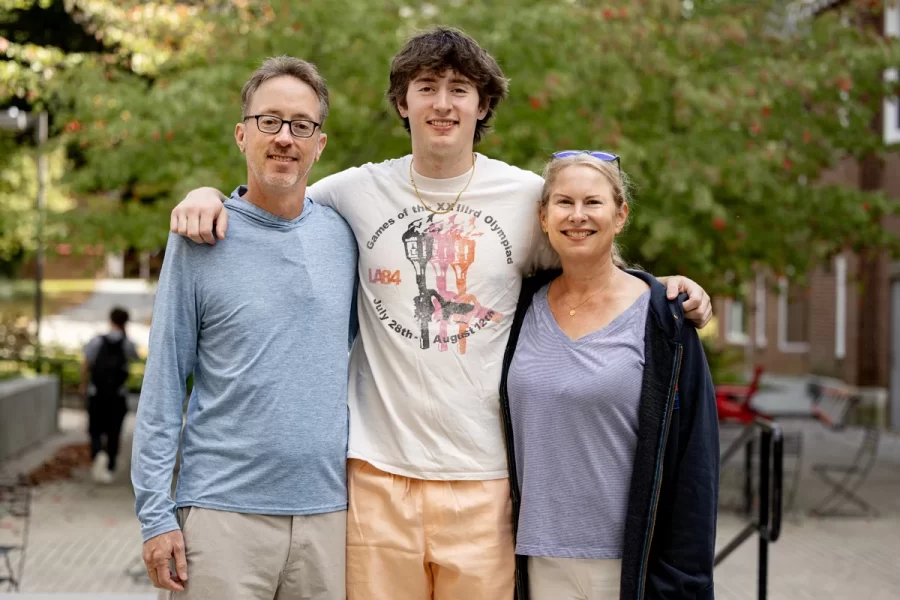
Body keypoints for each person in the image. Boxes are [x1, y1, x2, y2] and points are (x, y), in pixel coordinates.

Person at [168, 28, 713, 600]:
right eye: (426, 87)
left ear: (483, 106)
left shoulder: (527, 199)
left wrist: (659, 288)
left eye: (460, 89)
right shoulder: (353, 192)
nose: (443, 103)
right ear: (403, 103)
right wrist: (208, 195)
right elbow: (275, 198)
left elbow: (589, 255)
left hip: (483, 480)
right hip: (377, 477)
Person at [131, 56, 357, 599]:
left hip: (329, 517)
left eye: (301, 125)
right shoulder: (199, 239)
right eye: (269, 121)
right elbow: (163, 384)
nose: (285, 137)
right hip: (220, 517)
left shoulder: (347, 237)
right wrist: (155, 516)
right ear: (242, 134)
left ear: (319, 144)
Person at [499, 152, 719, 599]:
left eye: (592, 203)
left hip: (629, 568)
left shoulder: (665, 320)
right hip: (536, 559)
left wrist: (685, 580)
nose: (577, 216)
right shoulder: (516, 307)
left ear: (620, 216)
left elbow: (696, 461)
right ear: (543, 217)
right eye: (563, 202)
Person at [81, 306, 140, 484]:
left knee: (95, 428)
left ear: (110, 320)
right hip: (117, 395)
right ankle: (110, 466)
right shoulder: (127, 343)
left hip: (96, 393)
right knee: (114, 430)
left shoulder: (97, 341)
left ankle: (98, 452)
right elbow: (135, 357)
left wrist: (83, 386)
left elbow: (85, 364)